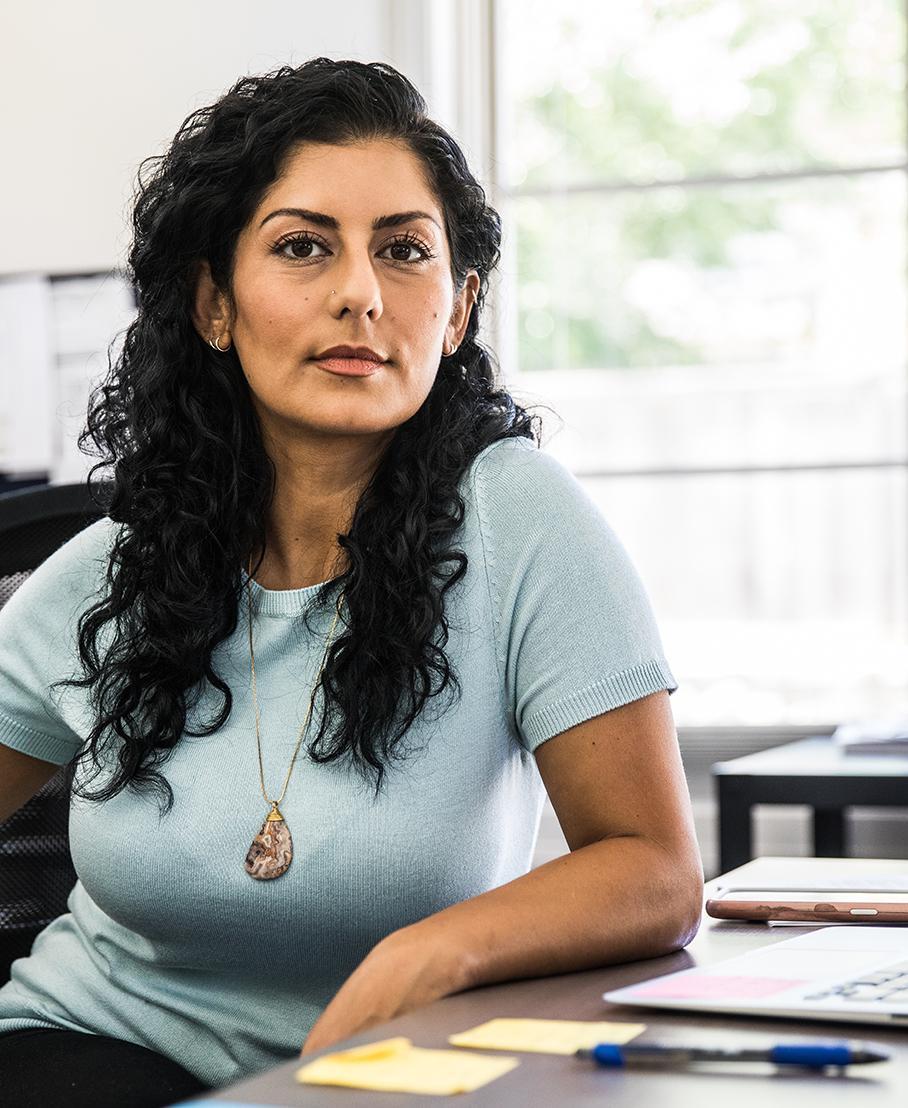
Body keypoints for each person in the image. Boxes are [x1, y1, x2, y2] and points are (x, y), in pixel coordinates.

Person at [0, 57, 703, 1107]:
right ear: (214, 305)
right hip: (85, 1048)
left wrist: (431, 952)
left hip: (394, 1076)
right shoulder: (112, 574)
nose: (360, 294)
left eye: (404, 251)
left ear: (457, 310)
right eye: (301, 247)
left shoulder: (523, 525)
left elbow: (651, 866)